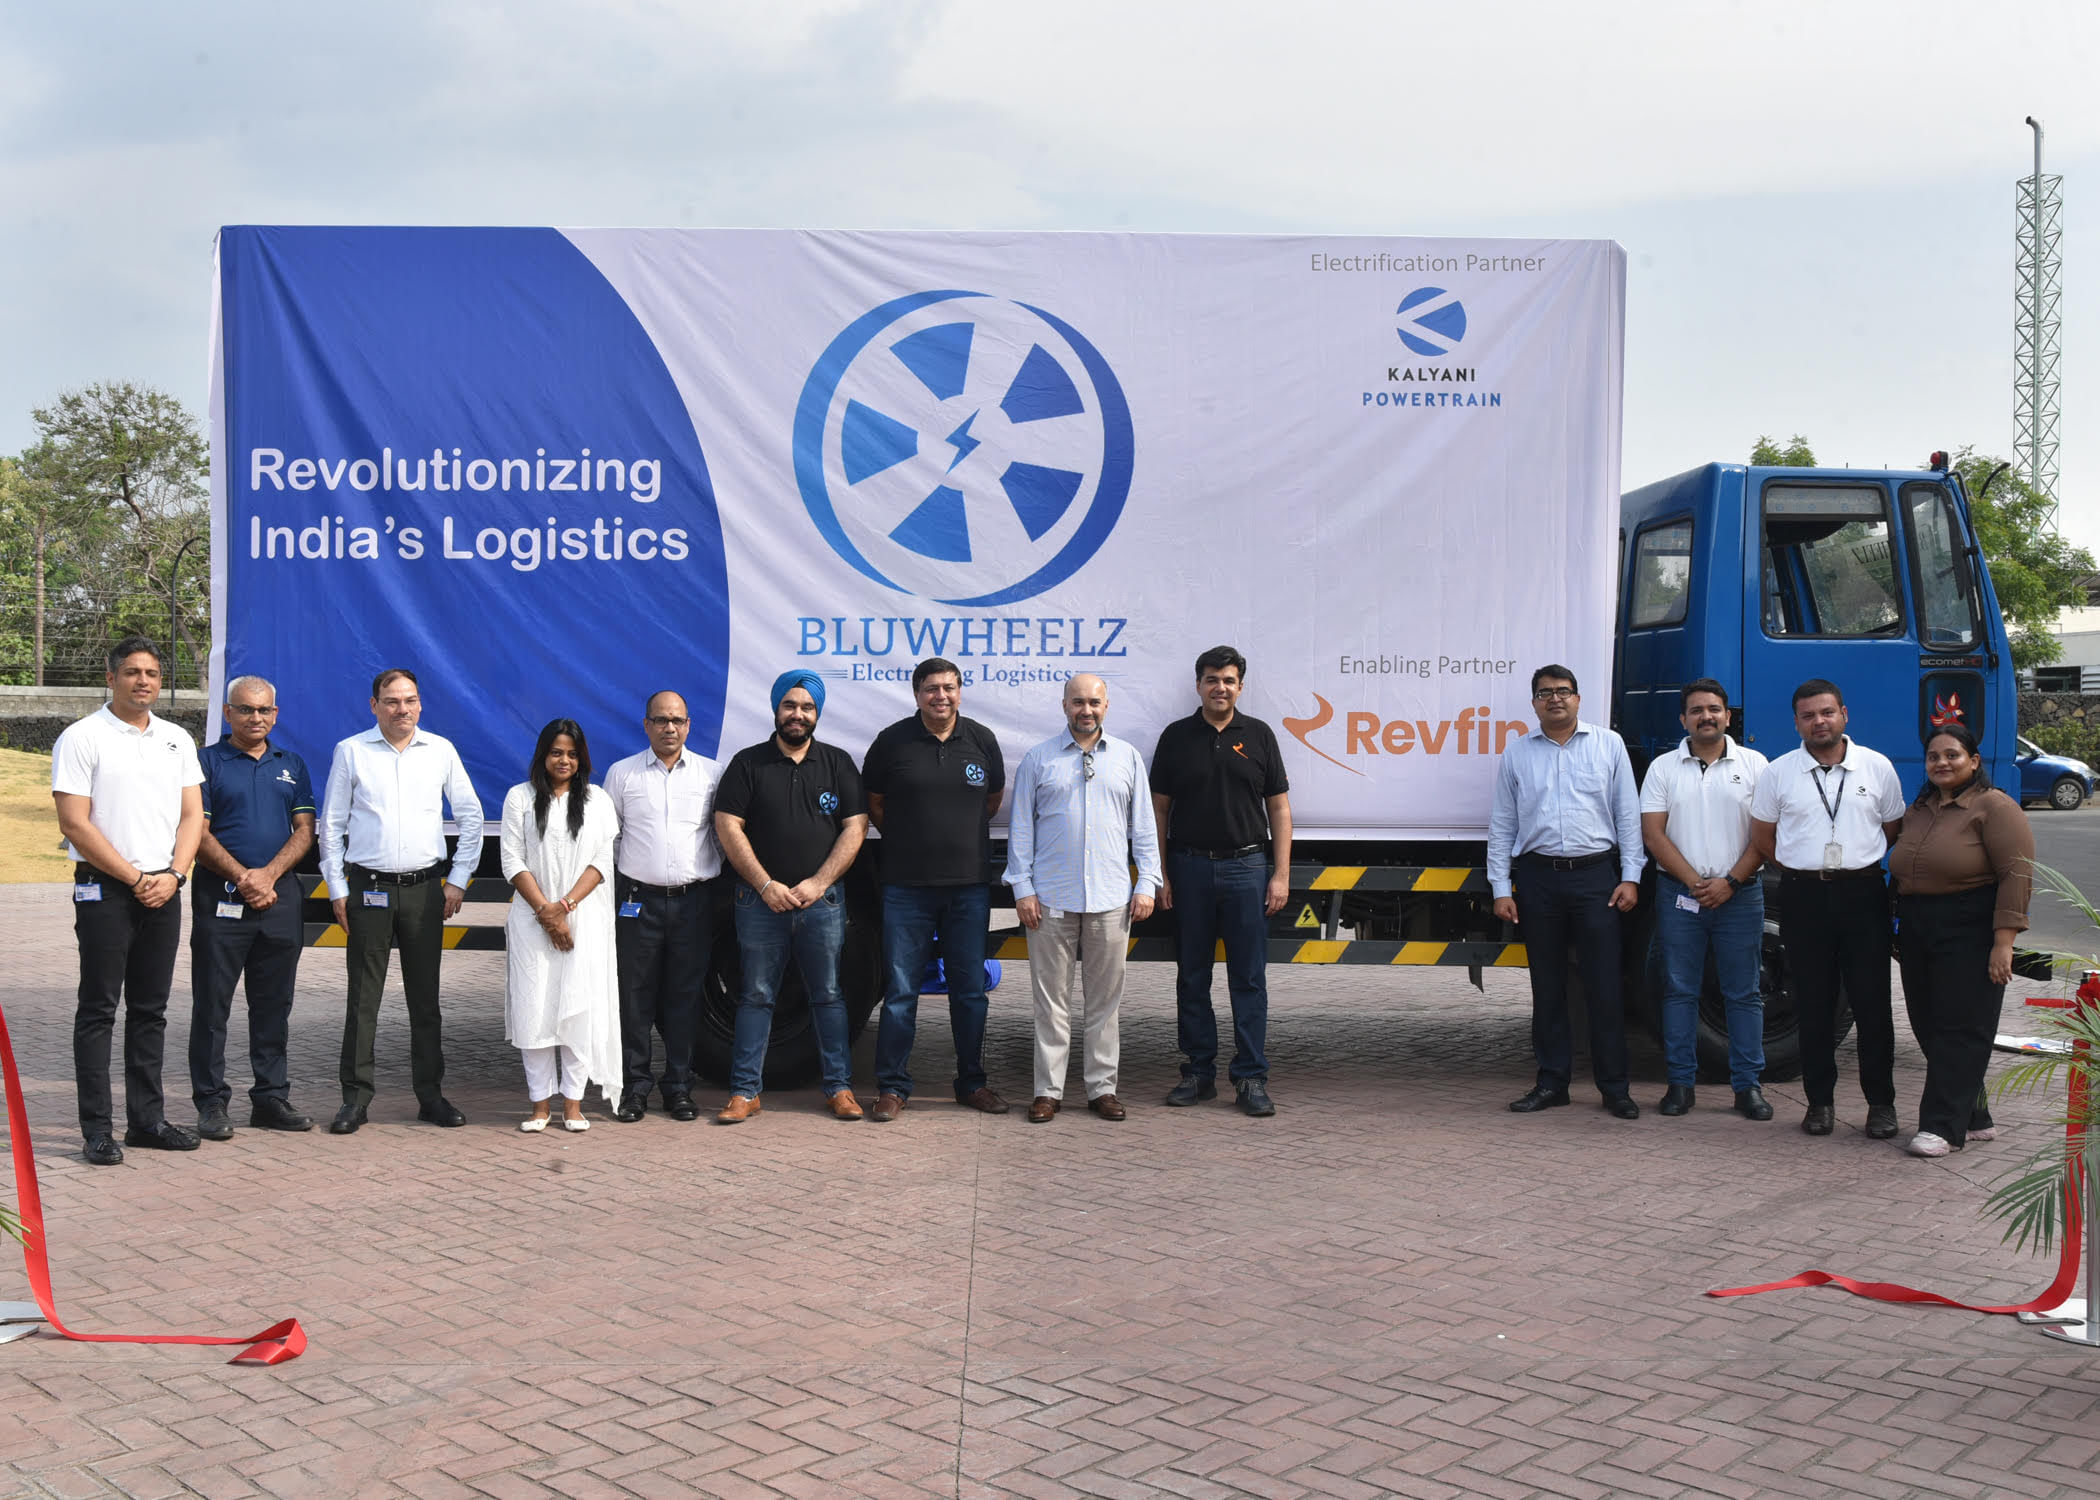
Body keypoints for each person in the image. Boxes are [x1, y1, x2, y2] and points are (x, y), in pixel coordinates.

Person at [50, 637, 205, 1165]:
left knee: (150, 1010)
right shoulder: (82, 737)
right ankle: (97, 1129)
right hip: (106, 891)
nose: (144, 681)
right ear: (111, 677)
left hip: (165, 889)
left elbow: (193, 816)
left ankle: (147, 1122)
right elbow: (74, 822)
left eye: (153, 673)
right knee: (98, 1009)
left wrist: (175, 875)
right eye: (133, 672)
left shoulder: (177, 739)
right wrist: (136, 877)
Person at [318, 668, 485, 1134]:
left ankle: (430, 1097)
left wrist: (458, 880)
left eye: (410, 700)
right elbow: (332, 824)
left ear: (420, 704)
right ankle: (355, 1099)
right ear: (374, 705)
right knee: (363, 999)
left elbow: (471, 817)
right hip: (367, 889)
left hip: (424, 891)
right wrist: (337, 888)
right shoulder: (351, 751)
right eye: (391, 701)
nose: (402, 709)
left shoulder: (440, 751)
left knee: (425, 1000)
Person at [1749, 679, 1907, 1139]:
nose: (1819, 722)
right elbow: (1763, 837)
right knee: (1814, 1005)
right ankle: (1819, 1103)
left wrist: (1851, 863)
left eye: (1826, 713)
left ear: (1844, 714)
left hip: (1863, 893)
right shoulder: (1778, 772)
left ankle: (1881, 1105)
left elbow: (1892, 829)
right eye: (1808, 716)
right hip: (1803, 896)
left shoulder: (1876, 767)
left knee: (1872, 1004)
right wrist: (1804, 867)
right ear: (1797, 722)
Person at [1489, 664, 1646, 1119]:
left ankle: (1615, 1088)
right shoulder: (1517, 753)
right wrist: (1500, 886)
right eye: (1545, 693)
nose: (1554, 699)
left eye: (1563, 691)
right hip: (1538, 879)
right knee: (1548, 985)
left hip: (1597, 878)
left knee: (1604, 986)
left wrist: (1631, 876)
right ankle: (1552, 1082)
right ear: (1534, 703)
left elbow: (1627, 814)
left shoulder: (1608, 745)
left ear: (1578, 698)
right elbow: (1503, 824)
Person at [711, 670, 868, 1123]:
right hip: (759, 903)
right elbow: (728, 825)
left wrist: (818, 882)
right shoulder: (748, 764)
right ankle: (744, 1093)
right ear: (776, 709)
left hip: (822, 904)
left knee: (829, 996)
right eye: (790, 705)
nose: (798, 714)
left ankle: (839, 1089)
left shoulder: (837, 763)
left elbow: (856, 826)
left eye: (807, 707)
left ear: (817, 714)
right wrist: (765, 885)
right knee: (756, 996)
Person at [1006, 674, 1162, 1123]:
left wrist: (1146, 882)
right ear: (1064, 706)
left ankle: (1102, 1089)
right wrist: (1023, 888)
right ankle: (1047, 1091)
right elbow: (1021, 829)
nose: (1086, 710)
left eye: (1094, 702)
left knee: (1104, 1003)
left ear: (1106, 706)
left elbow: (1144, 828)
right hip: (1050, 900)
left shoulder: (1127, 759)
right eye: (1078, 702)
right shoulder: (1039, 759)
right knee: (1050, 1003)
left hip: (1111, 899)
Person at [863, 657, 1007, 1122]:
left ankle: (972, 1083)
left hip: (968, 888)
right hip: (906, 887)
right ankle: (892, 1086)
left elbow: (991, 801)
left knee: (969, 992)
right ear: (917, 694)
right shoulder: (892, 741)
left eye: (948, 687)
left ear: (960, 692)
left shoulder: (982, 740)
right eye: (931, 688)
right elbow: (875, 804)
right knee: (901, 992)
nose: (940, 696)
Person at [1151, 645, 1292, 1117]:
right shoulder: (1176, 737)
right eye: (1212, 679)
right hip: (1189, 868)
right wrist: (1161, 873)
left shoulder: (1259, 735)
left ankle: (1251, 1078)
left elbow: (1279, 808)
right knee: (1192, 976)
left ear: (1240, 687)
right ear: (1198, 685)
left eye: (1229, 680)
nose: (1220, 687)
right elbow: (1158, 810)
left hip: (1247, 869)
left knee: (1248, 979)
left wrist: (1280, 874)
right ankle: (1198, 1073)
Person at [1888, 723, 2035, 1157]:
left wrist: (2003, 942)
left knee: (1962, 1027)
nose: (1942, 763)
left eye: (1952, 755)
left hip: (1970, 924)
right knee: (1927, 1023)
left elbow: (2017, 874)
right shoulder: (1921, 807)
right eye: (1934, 756)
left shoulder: (1995, 806)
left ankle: (1941, 1128)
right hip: (1918, 924)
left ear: (1973, 761)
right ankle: (1974, 1116)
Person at [189, 674, 317, 1139]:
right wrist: (245, 878)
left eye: (264, 710)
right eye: (245, 709)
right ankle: (211, 1102)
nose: (255, 717)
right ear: (228, 713)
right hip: (220, 900)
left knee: (273, 1005)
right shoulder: (205, 762)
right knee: (212, 1006)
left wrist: (267, 876)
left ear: (275, 715)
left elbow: (304, 831)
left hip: (279, 902)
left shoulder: (292, 764)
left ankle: (270, 1098)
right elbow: (197, 833)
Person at [1638, 678, 1771, 1121]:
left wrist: (1730, 881)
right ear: (1684, 719)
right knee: (1679, 991)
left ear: (1728, 716)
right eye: (1696, 710)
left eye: (1714, 709)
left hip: (1741, 895)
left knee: (1744, 992)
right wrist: (1698, 883)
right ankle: (1680, 1085)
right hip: (1681, 895)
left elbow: (1765, 835)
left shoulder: (1755, 765)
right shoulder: (1663, 769)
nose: (1706, 716)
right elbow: (1653, 834)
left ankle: (1748, 1087)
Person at [600, 690, 722, 1122]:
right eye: (660, 720)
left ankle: (679, 1088)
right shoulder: (622, 774)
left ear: (688, 725)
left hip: (693, 903)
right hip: (638, 903)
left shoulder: (711, 774)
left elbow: (719, 835)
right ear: (646, 725)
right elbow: (609, 838)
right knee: (634, 998)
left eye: (677, 720)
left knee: (684, 998)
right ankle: (634, 1089)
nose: (669, 728)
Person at [500, 720, 622, 1132]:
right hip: (531, 919)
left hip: (583, 918)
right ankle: (540, 1106)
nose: (564, 760)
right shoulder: (519, 797)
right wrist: (547, 913)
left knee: (578, 1008)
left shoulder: (597, 800)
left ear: (581, 758)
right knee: (534, 1008)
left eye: (571, 753)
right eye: (556, 752)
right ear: (543, 755)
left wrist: (565, 907)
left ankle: (573, 1105)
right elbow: (511, 860)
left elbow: (602, 862)